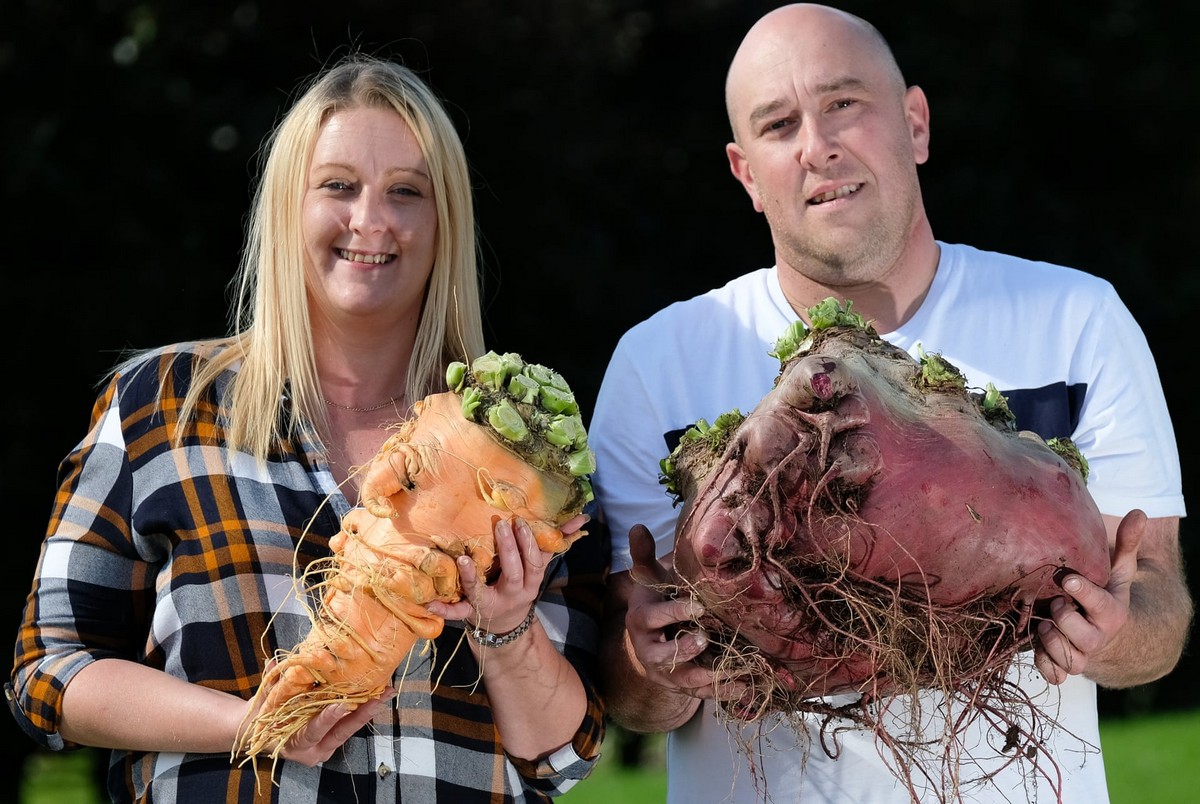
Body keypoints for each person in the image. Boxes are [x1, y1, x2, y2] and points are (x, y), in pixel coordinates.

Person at [588, 4, 1190, 803]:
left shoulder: (1075, 322)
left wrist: (1114, 631)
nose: (817, 145)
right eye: (778, 125)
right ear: (746, 176)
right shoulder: (658, 364)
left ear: (915, 125)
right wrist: (649, 665)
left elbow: (1159, 604)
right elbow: (629, 694)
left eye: (844, 103)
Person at [7, 55, 606, 803]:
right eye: (339, 186)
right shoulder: (163, 404)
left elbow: (564, 759)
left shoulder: (520, 459)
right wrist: (250, 722)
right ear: (288, 205)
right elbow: (50, 672)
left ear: (444, 220)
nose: (372, 220)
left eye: (407, 193)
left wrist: (509, 628)